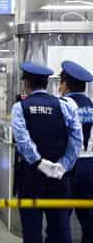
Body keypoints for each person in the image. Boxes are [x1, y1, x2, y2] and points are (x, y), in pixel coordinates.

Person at [11, 62, 82, 243]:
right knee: (60, 228)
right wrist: (63, 166)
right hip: (59, 178)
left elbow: (23, 140)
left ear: (26, 83)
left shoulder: (21, 108)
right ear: (47, 83)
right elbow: (76, 141)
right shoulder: (66, 106)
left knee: (32, 229)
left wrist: (39, 163)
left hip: (30, 177)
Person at [58, 60, 93, 243]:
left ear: (65, 84)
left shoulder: (63, 105)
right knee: (89, 219)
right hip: (91, 166)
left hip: (69, 167)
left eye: (60, 83)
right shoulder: (91, 104)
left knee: (61, 218)